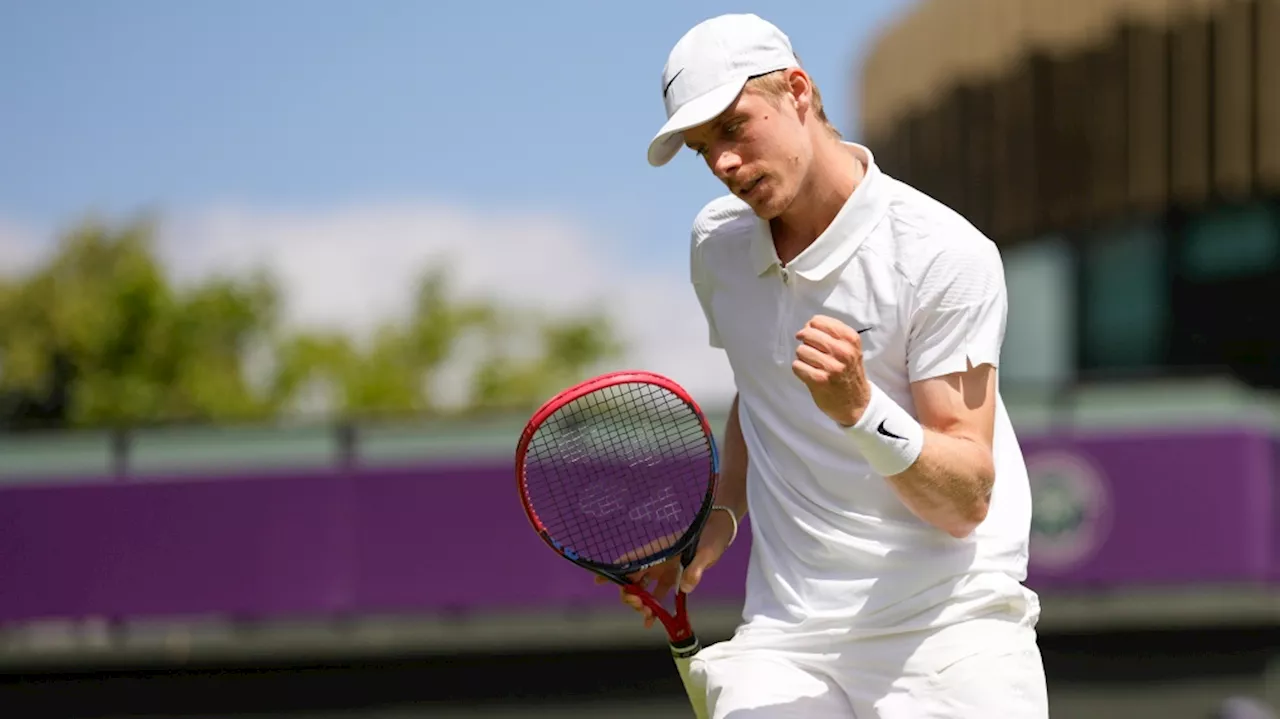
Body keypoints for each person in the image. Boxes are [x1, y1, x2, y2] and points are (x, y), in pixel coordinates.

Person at [617, 12, 1050, 718]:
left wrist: (862, 408)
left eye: (734, 127)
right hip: (785, 643)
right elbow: (757, 394)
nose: (722, 163)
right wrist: (725, 508)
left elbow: (966, 498)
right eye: (703, 148)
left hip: (949, 634)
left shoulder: (943, 254)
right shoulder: (716, 247)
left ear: (799, 91)